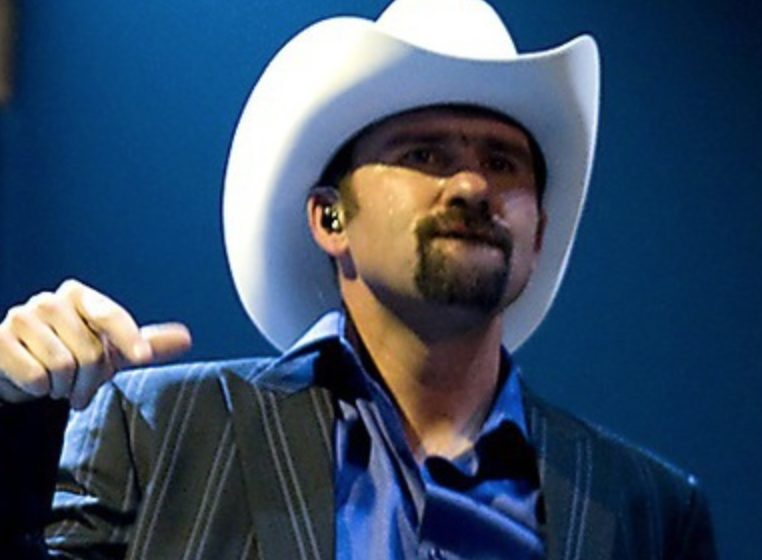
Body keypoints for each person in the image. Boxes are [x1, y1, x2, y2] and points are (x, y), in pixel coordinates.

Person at [0, 0, 718, 558]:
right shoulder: (157, 429)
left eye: (503, 163)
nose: (472, 185)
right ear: (330, 218)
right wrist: (10, 409)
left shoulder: (650, 509)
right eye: (424, 154)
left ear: (539, 232)